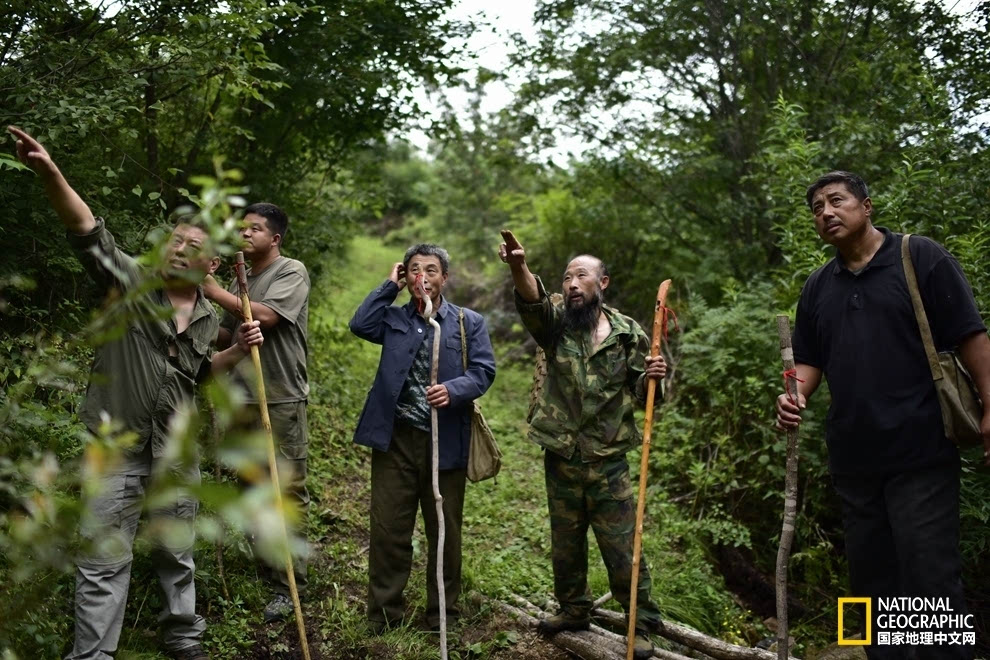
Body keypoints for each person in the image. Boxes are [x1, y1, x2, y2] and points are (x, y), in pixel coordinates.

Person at [8, 126, 263, 660]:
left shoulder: (209, 316)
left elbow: (197, 377)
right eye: (175, 240)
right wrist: (50, 171)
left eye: (194, 246)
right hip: (116, 448)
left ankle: (183, 636)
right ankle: (94, 654)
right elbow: (86, 229)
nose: (179, 249)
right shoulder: (127, 283)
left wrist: (237, 349)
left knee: (178, 548)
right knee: (103, 558)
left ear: (211, 265)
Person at [775, 171, 990, 660]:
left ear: (866, 206)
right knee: (873, 582)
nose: (826, 213)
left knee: (930, 577)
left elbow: (972, 336)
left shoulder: (920, 257)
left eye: (836, 201)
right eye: (816, 208)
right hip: (853, 459)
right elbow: (808, 362)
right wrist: (792, 395)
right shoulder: (817, 286)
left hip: (922, 449)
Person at [499, 229, 666, 659]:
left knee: (622, 546)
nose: (571, 284)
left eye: (580, 277)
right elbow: (533, 300)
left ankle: (642, 624)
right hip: (562, 456)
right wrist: (519, 265)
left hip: (608, 461)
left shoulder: (629, 335)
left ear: (602, 283)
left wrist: (655, 377)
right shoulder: (555, 325)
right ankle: (574, 610)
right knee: (566, 542)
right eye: (567, 277)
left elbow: (647, 396)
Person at [349, 244, 496, 633]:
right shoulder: (395, 319)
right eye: (414, 270)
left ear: (444, 278)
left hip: (445, 443)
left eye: (430, 270)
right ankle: (383, 615)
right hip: (395, 441)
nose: (422, 277)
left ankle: (442, 616)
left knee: (444, 532)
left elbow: (484, 370)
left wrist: (455, 389)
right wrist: (388, 285)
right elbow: (360, 325)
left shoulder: (468, 322)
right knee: (388, 530)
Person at [202, 202, 311, 622]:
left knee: (284, 491)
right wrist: (198, 306)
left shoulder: (290, 271)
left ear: (275, 238)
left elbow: (265, 316)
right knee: (251, 489)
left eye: (255, 229)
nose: (245, 235)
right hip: (242, 397)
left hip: (279, 397)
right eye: (242, 229)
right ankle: (266, 572)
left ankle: (290, 586)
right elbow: (231, 333)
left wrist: (213, 291)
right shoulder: (239, 277)